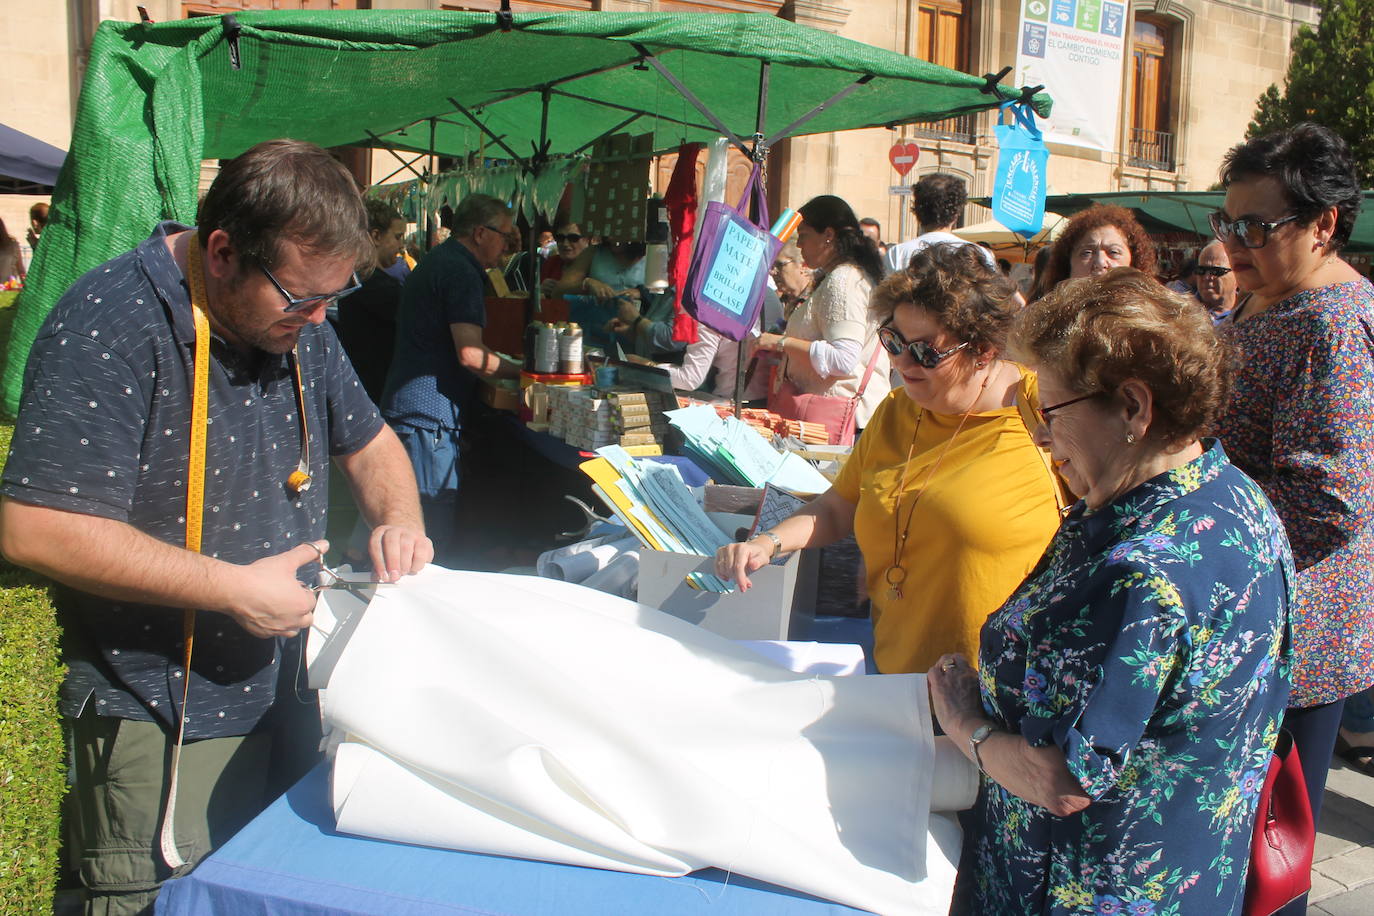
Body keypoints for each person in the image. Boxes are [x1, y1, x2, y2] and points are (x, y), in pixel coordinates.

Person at [0, 139, 433, 913]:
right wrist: (233, 589)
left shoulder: (302, 320)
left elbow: (373, 446)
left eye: (335, 295)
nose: (322, 318)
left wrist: (399, 520)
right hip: (162, 717)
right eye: (302, 299)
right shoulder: (110, 325)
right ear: (224, 252)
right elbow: (35, 527)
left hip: (286, 696)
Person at [931, 267, 1293, 915]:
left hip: (1088, 890)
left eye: (1050, 409)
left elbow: (1064, 780)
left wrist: (965, 725)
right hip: (1193, 876)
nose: (1040, 434)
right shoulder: (1231, 494)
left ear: (1133, 406)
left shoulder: (1141, 571)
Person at [717, 244, 1063, 674]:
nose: (902, 360)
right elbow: (839, 505)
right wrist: (768, 543)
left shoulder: (1043, 410)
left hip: (1003, 692)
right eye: (893, 341)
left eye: (926, 351)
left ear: (984, 350)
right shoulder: (897, 410)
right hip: (898, 671)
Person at [1210, 123, 1374, 913]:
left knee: (1268, 866)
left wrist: (1195, 529)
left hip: (1291, 636)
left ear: (1324, 224)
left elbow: (1328, 502)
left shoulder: (1329, 323)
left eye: (1257, 227)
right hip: (1251, 616)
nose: (1236, 243)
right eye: (1227, 221)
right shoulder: (1274, 300)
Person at [381, 194, 522, 566]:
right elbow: (471, 354)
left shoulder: (439, 261)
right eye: (504, 236)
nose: (506, 245)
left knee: (389, 526)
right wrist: (525, 373)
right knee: (426, 538)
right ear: (480, 233)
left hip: (410, 411)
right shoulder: (461, 271)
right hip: (429, 420)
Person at [756, 195, 892, 436]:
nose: (799, 245)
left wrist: (779, 342)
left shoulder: (843, 281)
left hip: (840, 423)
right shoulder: (844, 277)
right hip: (838, 420)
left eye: (804, 235)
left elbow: (843, 359)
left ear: (828, 234)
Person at [336, 197, 407, 403]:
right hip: (374, 393)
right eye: (397, 236)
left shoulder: (357, 277)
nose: (401, 246)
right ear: (376, 236)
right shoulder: (371, 283)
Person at [884, 172, 995, 275]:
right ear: (957, 213)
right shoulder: (980, 255)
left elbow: (887, 294)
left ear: (917, 211)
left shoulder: (898, 253)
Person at [1040, 204, 1158, 289]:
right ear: (1067, 265)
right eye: (1087, 253)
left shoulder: (1154, 321)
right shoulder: (1046, 320)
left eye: (1113, 252)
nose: (1100, 262)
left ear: (1134, 263)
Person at [1193, 239, 1237, 321]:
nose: (1207, 277)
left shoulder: (1252, 312)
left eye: (1216, 271)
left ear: (1237, 275)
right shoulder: (1182, 313)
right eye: (1201, 270)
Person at [0, 216, 22, 283]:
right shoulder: (13, 245)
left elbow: (21, 270)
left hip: (7, 288)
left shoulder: (13, 246)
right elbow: (21, 269)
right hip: (8, 289)